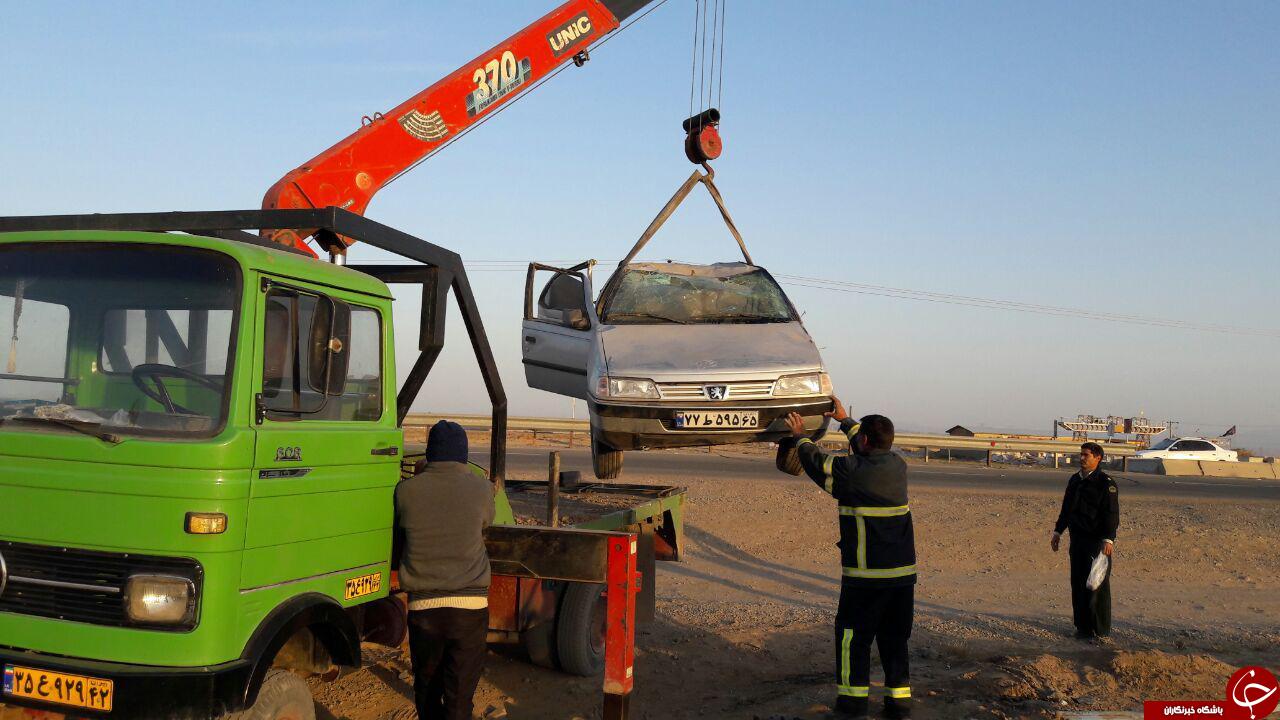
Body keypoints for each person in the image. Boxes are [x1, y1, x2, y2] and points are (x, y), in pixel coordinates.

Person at [785, 399, 916, 720]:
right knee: (894, 640)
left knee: (852, 639)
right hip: (901, 579)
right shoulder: (898, 466)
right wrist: (845, 421)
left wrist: (800, 436)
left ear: (866, 442)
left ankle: (852, 706)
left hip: (865, 579)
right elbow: (865, 443)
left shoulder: (850, 473)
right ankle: (898, 705)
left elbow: (817, 463)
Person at [393, 420, 495, 720]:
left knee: (426, 689)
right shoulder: (482, 488)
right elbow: (487, 522)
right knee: (459, 699)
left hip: (424, 608)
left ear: (429, 454)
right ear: (463, 454)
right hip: (470, 608)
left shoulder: (405, 491)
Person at [1051, 441, 1119, 641]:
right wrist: (1058, 531)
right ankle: (1082, 629)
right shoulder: (1075, 480)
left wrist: (1109, 539)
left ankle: (1101, 631)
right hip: (1077, 540)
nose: (1081, 458)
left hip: (1097, 542)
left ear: (1097, 458)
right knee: (1078, 584)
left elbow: (1111, 514)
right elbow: (1067, 509)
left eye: (1086, 455)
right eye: (1081, 454)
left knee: (1097, 586)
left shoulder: (1106, 483)